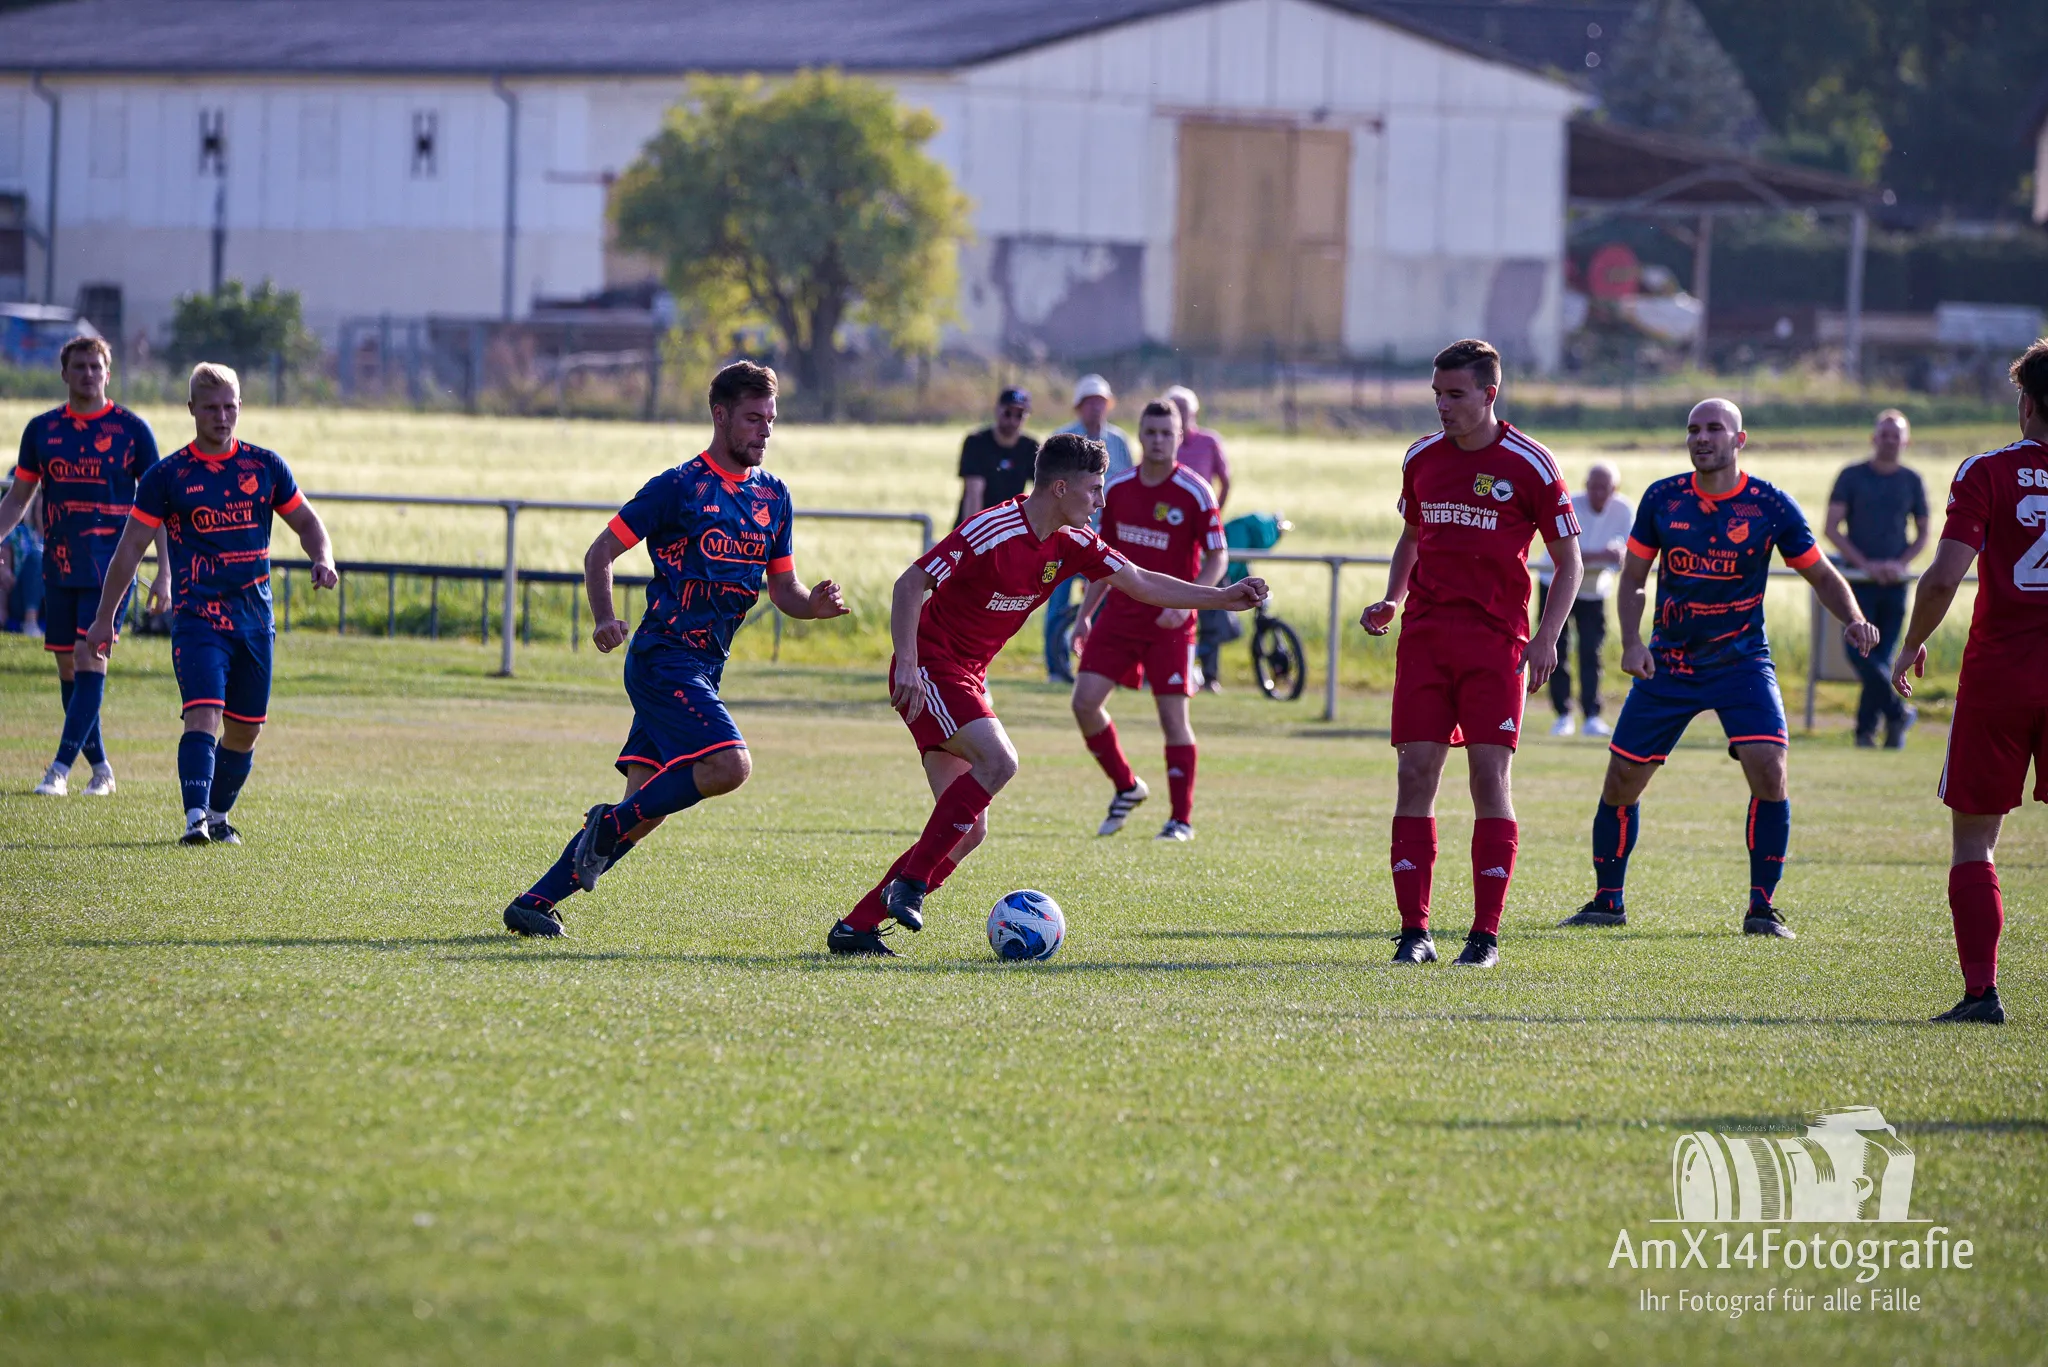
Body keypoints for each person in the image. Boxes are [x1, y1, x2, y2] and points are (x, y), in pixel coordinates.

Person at [827, 433, 1267, 956]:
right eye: (1094, 489)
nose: (1101, 501)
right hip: (931, 668)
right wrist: (907, 664)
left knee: (968, 832)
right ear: (1060, 488)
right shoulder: (993, 529)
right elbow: (909, 583)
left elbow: (1141, 581)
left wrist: (1222, 597)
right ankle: (912, 883)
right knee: (1000, 761)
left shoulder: (1073, 541)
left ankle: (855, 928)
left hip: (967, 676)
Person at [501, 362, 847, 937]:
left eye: (770, 420)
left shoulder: (774, 496)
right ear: (720, 415)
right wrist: (604, 618)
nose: (764, 431)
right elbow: (600, 553)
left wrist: (813, 605)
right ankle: (607, 825)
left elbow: (784, 587)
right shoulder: (678, 487)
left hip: (706, 668)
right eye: (753, 419)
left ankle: (533, 903)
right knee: (729, 765)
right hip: (663, 658)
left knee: (647, 807)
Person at [1560, 398, 1878, 938]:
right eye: (1693, 429)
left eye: (1714, 428)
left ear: (1739, 439)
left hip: (1741, 662)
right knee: (1621, 780)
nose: (1701, 438)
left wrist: (1854, 618)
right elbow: (1634, 578)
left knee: (1769, 767)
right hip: (1669, 663)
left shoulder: (1769, 505)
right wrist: (1633, 643)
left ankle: (1762, 909)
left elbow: (1822, 574)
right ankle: (1607, 902)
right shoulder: (1663, 499)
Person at [1361, 339, 1585, 969]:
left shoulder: (1531, 463)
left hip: (1496, 644)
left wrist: (1547, 636)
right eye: (1437, 394)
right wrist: (1393, 598)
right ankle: (1415, 933)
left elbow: (1569, 561)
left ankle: (1484, 937)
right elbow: (1411, 536)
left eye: (1455, 394)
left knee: (1489, 778)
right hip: (1425, 639)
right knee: (1414, 775)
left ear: (1490, 393)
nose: (1443, 406)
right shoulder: (1421, 457)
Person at [85, 363, 338, 844]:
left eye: (229, 407)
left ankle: (218, 817)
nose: (221, 417)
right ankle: (195, 819)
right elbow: (129, 550)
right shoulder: (167, 477)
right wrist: (104, 619)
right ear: (192, 409)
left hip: (254, 621)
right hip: (199, 619)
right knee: (203, 713)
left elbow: (307, 523)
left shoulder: (265, 467)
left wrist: (322, 557)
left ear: (240, 407)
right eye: (211, 408)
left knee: (245, 731)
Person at [1889, 340, 2048, 1025]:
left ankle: (1982, 992)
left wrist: (1910, 644)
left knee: (1975, 840)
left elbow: (1943, 577)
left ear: (2026, 404)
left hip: (1999, 680)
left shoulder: (1987, 471)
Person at [0, 335, 168, 796]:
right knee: (67, 666)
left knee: (88, 656)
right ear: (64, 374)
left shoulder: (133, 431)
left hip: (112, 568)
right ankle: (102, 769)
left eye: (96, 366)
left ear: (108, 373)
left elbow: (159, 508)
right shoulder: (42, 430)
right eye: (80, 366)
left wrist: (165, 574)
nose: (88, 374)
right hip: (58, 563)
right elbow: (17, 499)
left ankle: (58, 770)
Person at [1069, 400, 1227, 841]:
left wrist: (1190, 603)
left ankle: (1181, 820)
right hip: (1119, 617)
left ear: (1180, 437)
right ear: (1139, 435)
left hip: (1171, 625)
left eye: (1166, 433)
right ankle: (1126, 785)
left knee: (1173, 718)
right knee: (1084, 703)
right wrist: (1084, 616)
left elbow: (1218, 556)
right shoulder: (1118, 489)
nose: (1158, 440)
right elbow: (1103, 559)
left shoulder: (1195, 492)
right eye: (1150, 432)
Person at [1826, 410, 1930, 748]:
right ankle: (1898, 713)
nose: (1889, 441)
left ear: (1906, 441)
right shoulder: (1851, 476)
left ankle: (1865, 733)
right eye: (1884, 434)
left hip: (1895, 586)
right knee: (1859, 653)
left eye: (1895, 435)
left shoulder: (1912, 480)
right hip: (1857, 583)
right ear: (1873, 438)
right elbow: (1831, 528)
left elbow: (1923, 533)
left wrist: (1898, 564)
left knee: (1881, 659)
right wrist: (1867, 565)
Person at [1042, 374, 1132, 683]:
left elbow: (1127, 487)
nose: (1096, 408)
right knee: (1057, 598)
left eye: (1100, 402)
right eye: (1089, 402)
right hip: (1065, 535)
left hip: (1106, 536)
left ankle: (1099, 665)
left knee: (1106, 600)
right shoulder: (1061, 438)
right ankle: (1056, 667)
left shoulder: (1119, 441)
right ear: (1079, 406)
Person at [1534, 462, 1632, 736]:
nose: (1597, 493)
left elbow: (1629, 552)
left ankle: (1591, 716)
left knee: (1592, 652)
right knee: (1555, 649)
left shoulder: (1624, 510)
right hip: (1555, 584)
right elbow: (1565, 555)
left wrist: (1612, 555)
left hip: (1593, 590)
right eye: (1592, 486)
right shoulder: (1570, 504)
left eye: (1603, 487)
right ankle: (1562, 715)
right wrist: (1602, 554)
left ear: (1614, 488)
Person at [1164, 384, 1234, 691]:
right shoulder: (1163, 440)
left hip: (1203, 536)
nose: (1179, 414)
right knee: (1167, 596)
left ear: (1194, 412)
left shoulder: (1209, 441)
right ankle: (1166, 667)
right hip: (1170, 535)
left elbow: (1225, 481)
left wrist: (1212, 517)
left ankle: (1210, 673)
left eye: (1183, 409)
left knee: (1210, 601)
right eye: (1173, 408)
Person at [956, 387, 1038, 526]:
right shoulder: (977, 442)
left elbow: (1041, 491)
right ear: (997, 410)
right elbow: (974, 493)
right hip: (978, 523)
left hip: (1009, 526)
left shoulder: (1030, 447)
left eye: (1019, 415)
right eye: (1007, 413)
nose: (1012, 420)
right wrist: (971, 531)